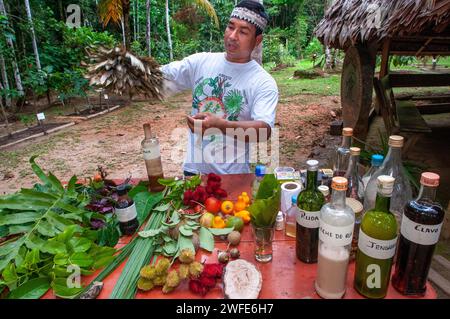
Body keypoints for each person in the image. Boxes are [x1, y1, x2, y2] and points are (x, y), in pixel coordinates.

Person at [161, 0, 279, 176]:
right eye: (230, 27)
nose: (232, 36)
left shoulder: (263, 82)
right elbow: (159, 77)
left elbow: (263, 131)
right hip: (193, 174)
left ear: (257, 40)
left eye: (243, 31)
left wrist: (221, 125)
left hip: (233, 177)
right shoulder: (200, 62)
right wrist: (126, 70)